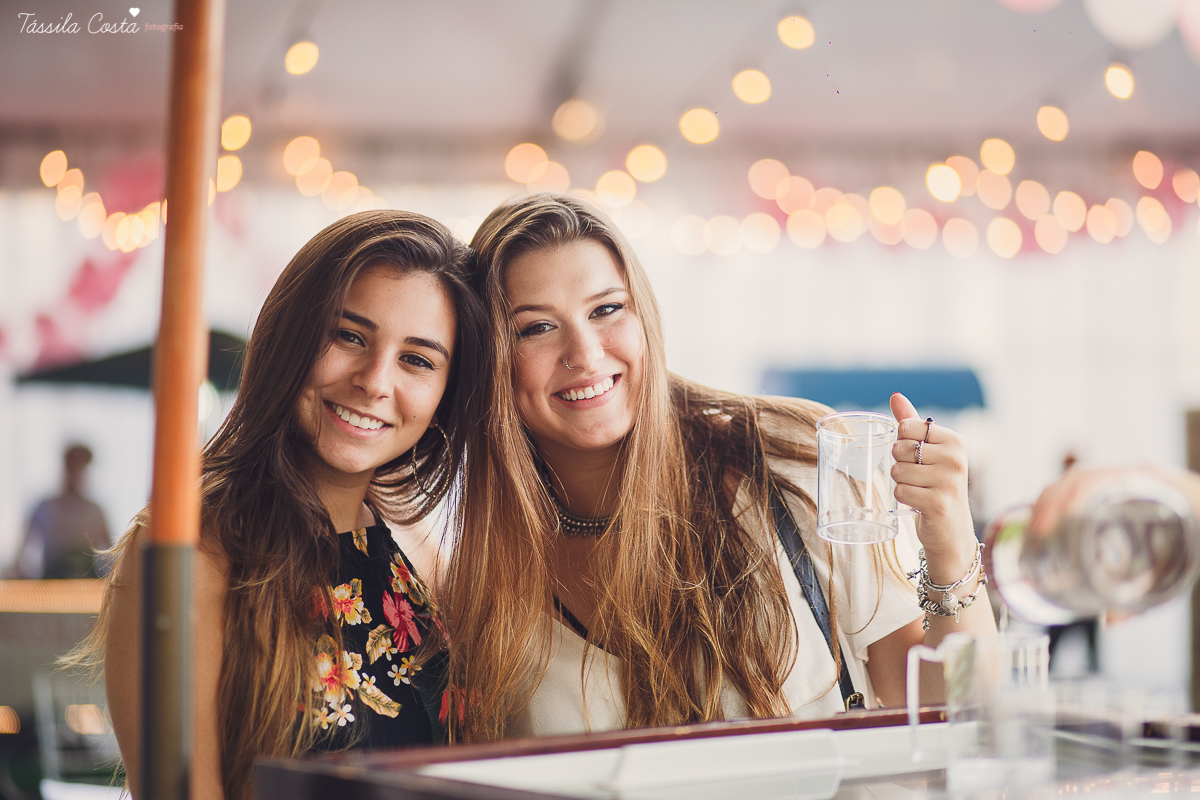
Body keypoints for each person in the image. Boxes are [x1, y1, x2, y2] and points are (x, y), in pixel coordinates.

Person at [440, 192, 997, 741]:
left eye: (606, 309)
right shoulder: (484, 574)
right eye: (536, 327)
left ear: (644, 317)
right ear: (492, 357)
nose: (584, 353)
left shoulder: (790, 460)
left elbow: (947, 709)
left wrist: (949, 539)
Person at [71, 210, 484, 799]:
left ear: (446, 392)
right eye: (349, 336)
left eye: (416, 359)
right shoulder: (193, 551)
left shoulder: (419, 556)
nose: (375, 381)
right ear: (290, 335)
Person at [15, 443, 110, 578]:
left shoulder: (95, 511)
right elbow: (22, 553)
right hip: (53, 584)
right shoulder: (44, 508)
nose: (77, 472)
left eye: (82, 466)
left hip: (88, 583)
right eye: (73, 465)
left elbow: (109, 552)